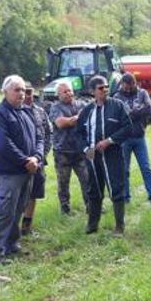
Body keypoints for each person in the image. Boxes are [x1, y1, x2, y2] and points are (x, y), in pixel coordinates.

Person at [0, 75, 41, 268]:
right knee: (5, 211)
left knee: (19, 208)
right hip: (10, 171)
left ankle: (12, 245)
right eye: (17, 90)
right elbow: (3, 144)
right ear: (5, 91)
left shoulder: (27, 112)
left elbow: (39, 137)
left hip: (29, 170)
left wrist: (37, 157)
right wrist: (25, 160)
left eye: (23, 90)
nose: (21, 94)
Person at [76, 75, 134, 234]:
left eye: (107, 87)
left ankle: (119, 226)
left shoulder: (118, 106)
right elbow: (78, 133)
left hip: (112, 155)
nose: (105, 90)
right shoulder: (87, 111)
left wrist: (109, 141)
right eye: (101, 88)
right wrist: (85, 148)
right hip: (93, 158)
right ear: (92, 91)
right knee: (93, 190)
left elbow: (128, 128)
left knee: (116, 188)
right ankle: (92, 225)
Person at [113, 72, 151, 206]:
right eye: (125, 86)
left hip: (139, 136)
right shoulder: (117, 96)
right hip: (124, 138)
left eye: (130, 86)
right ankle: (125, 197)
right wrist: (137, 113)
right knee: (124, 169)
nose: (127, 89)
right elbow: (119, 115)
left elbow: (149, 108)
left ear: (135, 84)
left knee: (146, 168)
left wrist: (131, 114)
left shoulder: (142, 93)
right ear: (122, 84)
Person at [49, 82, 90, 215]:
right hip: (62, 151)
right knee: (63, 182)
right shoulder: (56, 107)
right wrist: (79, 117)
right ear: (58, 95)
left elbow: (91, 118)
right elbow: (61, 123)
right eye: (64, 92)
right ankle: (65, 209)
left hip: (80, 150)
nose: (68, 93)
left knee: (87, 179)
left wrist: (76, 119)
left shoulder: (81, 104)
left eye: (70, 91)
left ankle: (91, 206)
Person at [20, 82, 52, 236]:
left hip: (39, 161)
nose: (28, 96)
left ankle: (27, 225)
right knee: (18, 194)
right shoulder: (15, 112)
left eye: (30, 92)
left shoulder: (40, 111)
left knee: (34, 193)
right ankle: (12, 227)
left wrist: (41, 156)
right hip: (21, 163)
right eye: (25, 92)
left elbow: (48, 133)